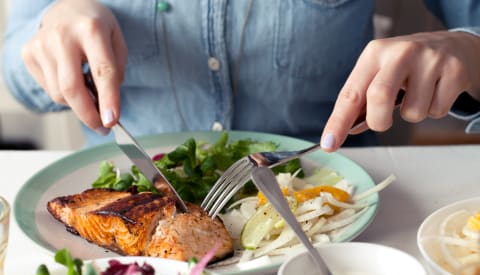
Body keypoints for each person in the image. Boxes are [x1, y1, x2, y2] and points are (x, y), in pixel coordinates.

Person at [2, 0, 480, 150]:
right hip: (124, 217)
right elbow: (14, 70)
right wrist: (49, 31)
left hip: (339, 210)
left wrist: (470, 49)